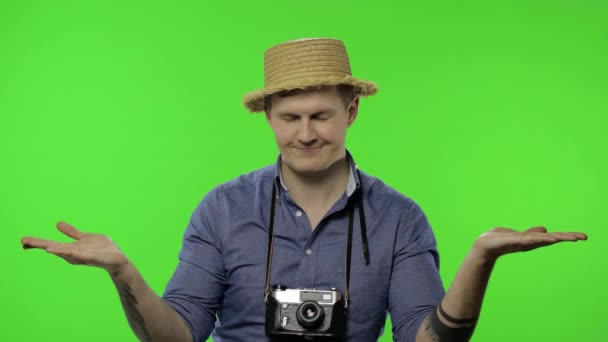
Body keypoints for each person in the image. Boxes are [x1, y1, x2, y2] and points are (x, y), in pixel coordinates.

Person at [21, 38, 587, 342]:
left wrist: (479, 260)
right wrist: (124, 272)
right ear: (267, 116)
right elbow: (179, 336)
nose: (306, 133)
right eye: (289, 117)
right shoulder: (222, 209)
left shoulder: (400, 218)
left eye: (321, 115)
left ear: (352, 110)